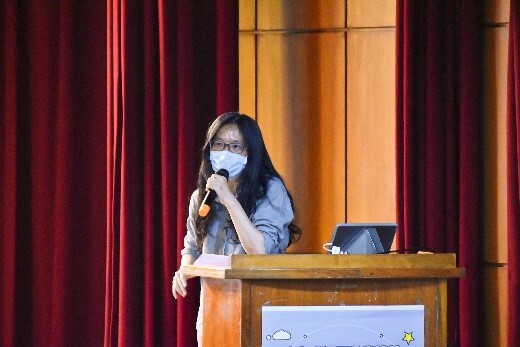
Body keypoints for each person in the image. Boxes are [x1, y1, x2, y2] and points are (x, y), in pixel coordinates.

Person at [171, 112, 300, 344]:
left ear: (250, 153)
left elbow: (259, 251)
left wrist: (229, 199)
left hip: (260, 308)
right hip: (215, 309)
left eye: (236, 147)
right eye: (219, 144)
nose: (225, 152)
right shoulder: (201, 198)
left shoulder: (270, 190)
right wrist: (183, 271)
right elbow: (192, 250)